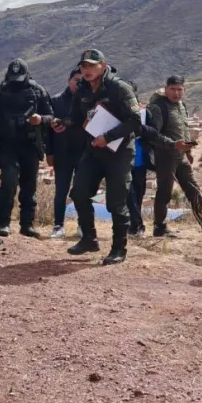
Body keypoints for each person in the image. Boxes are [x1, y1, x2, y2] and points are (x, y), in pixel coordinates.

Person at [66, 49, 141, 265]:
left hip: (119, 152)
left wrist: (108, 137)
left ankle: (119, 248)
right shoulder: (82, 90)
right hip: (94, 150)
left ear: (103, 65)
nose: (86, 70)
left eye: (91, 65)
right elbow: (75, 118)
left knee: (116, 202)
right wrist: (62, 124)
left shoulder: (119, 88)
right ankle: (89, 239)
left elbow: (135, 121)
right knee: (79, 192)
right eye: (83, 66)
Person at [0, 59, 53, 238]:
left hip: (30, 145)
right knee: (9, 181)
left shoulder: (38, 91)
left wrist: (40, 119)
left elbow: (51, 116)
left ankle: (27, 224)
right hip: (8, 145)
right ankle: (3, 222)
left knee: (29, 185)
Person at [147, 76, 202, 237]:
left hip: (181, 156)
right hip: (165, 156)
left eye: (180, 89)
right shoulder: (158, 108)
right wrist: (173, 144)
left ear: (184, 90)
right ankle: (159, 227)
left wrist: (187, 151)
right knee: (165, 192)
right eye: (172, 89)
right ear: (166, 89)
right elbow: (153, 135)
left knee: (193, 189)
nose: (176, 93)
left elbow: (184, 129)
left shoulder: (181, 106)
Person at [45, 68, 86, 239]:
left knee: (82, 191)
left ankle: (83, 225)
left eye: (82, 80)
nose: (79, 83)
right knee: (61, 191)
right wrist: (49, 152)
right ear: (68, 80)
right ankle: (58, 226)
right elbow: (48, 130)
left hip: (83, 153)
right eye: (76, 80)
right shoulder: (56, 101)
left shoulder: (88, 101)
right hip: (62, 154)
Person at [127, 83, 156, 238]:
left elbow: (153, 132)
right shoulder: (116, 111)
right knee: (128, 193)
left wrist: (140, 129)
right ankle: (139, 225)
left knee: (138, 193)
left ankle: (133, 226)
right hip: (122, 160)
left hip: (140, 160)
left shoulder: (145, 113)